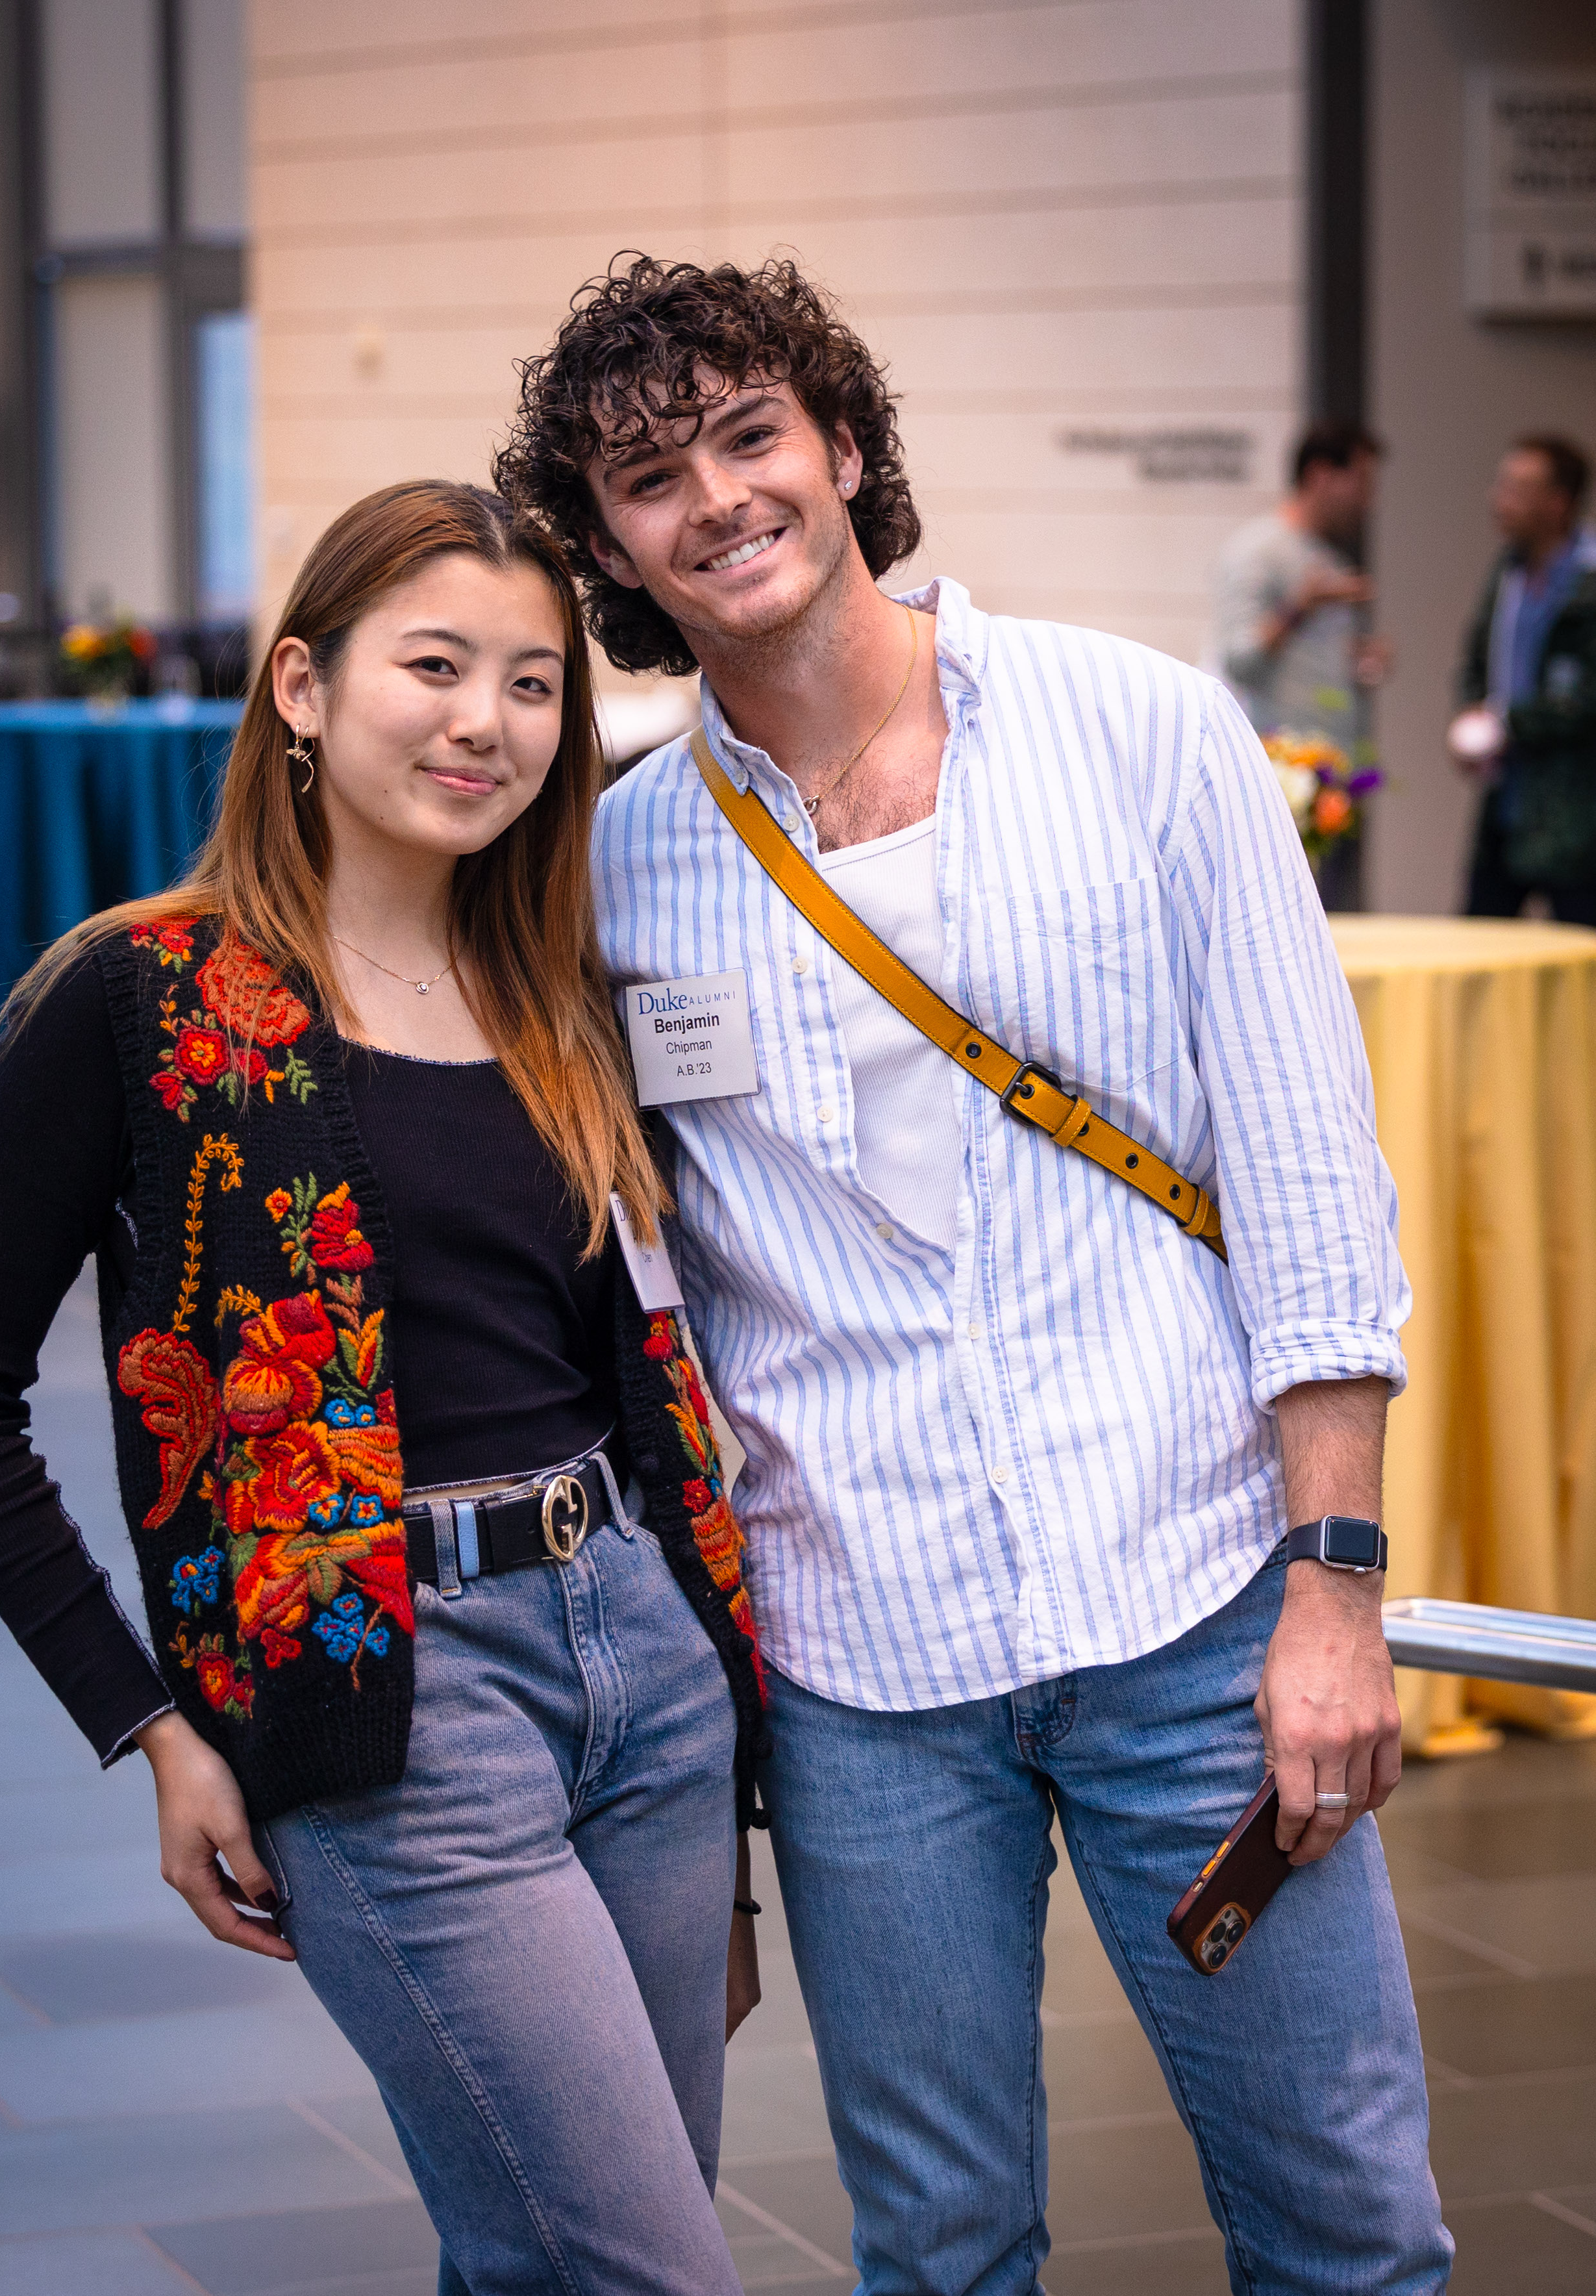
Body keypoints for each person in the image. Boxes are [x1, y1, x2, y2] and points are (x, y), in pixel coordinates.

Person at [497, 257, 1451, 2294]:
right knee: (936, 2246)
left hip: (1194, 1599)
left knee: (1347, 2224)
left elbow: (1305, 1183)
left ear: (843, 445)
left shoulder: (1146, 732)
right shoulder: (618, 864)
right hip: (861, 1662)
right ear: (605, 543)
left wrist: (1336, 1587)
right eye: (650, 475)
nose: (719, 497)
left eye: (751, 433)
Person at [0, 482, 767, 2296]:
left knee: (544, 2246)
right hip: (382, 1698)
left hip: (646, 1667)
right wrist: (151, 1723)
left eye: (533, 685)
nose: (485, 720)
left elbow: (644, 1358)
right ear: (300, 684)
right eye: (433, 665)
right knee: (650, 2262)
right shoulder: (139, 992)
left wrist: (729, 1741)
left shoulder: (558, 990)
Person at [1453, 433, 1596, 927]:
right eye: (1502, 485)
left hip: (1577, 819)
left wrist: (1504, 722)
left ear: (1558, 503)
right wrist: (1471, 716)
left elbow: (1586, 703)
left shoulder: (1590, 582)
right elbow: (1476, 661)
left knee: (1580, 962)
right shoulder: (1507, 572)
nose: (1500, 500)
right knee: (1477, 951)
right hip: (1506, 805)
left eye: (1518, 489)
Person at [1207, 417, 1391, 758]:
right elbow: (1239, 661)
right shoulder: (1257, 550)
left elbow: (1319, 670)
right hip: (1277, 772)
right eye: (1362, 483)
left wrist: (1362, 664)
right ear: (1320, 475)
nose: (1368, 501)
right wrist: (1300, 608)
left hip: (1334, 772)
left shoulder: (1330, 561)